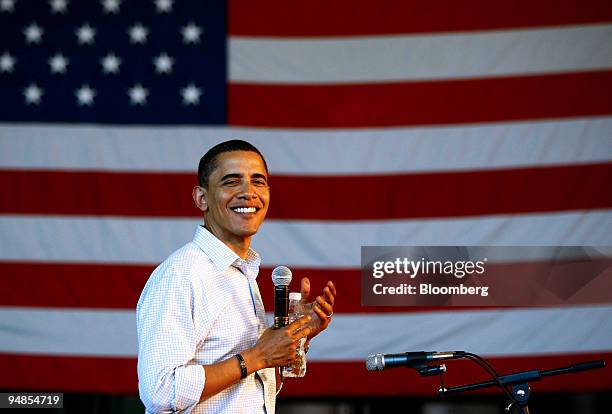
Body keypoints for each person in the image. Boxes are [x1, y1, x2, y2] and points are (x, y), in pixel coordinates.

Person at [136, 139, 337, 413]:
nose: (248, 192)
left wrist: (294, 337)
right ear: (201, 198)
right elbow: (160, 391)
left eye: (258, 181)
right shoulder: (181, 275)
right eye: (231, 182)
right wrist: (257, 356)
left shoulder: (241, 273)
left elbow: (250, 391)